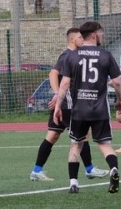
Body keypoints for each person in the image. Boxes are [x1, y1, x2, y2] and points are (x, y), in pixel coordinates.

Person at [30, 27, 111, 181]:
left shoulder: (76, 55)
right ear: (73, 40)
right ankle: (89, 169)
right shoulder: (67, 55)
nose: (83, 40)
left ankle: (37, 170)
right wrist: (57, 93)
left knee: (53, 135)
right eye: (80, 38)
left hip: (64, 105)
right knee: (82, 136)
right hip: (68, 104)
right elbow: (53, 73)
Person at [53, 21, 121, 194]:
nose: (102, 35)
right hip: (100, 109)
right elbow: (117, 81)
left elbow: (65, 83)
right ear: (93, 34)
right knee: (105, 145)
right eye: (101, 32)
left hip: (79, 110)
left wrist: (58, 106)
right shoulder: (106, 55)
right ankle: (113, 169)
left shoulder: (71, 56)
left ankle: (73, 183)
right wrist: (120, 100)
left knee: (76, 145)